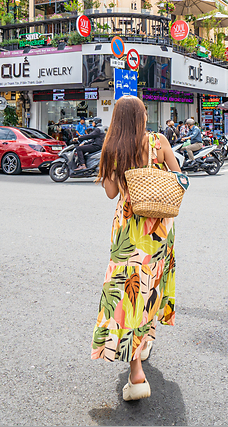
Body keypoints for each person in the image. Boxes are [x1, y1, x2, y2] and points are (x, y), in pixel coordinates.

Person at [92, 96, 178, 402]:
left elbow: (111, 193)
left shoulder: (114, 149)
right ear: (142, 118)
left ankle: (137, 372)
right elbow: (179, 178)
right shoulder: (158, 141)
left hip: (128, 232)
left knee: (128, 294)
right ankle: (142, 343)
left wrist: (113, 172)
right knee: (150, 287)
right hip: (157, 232)